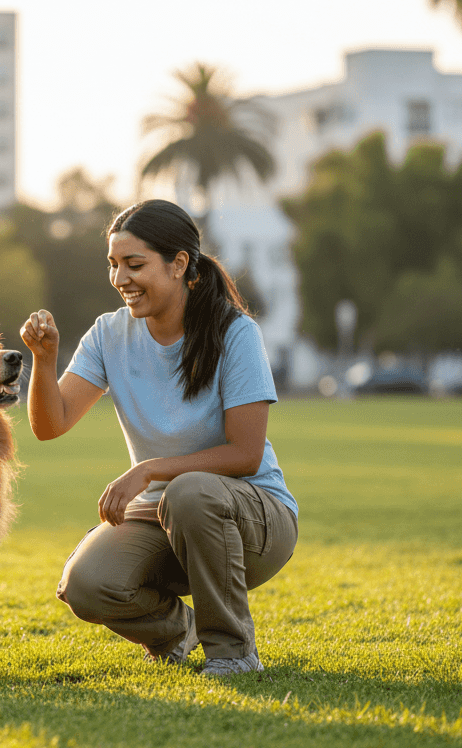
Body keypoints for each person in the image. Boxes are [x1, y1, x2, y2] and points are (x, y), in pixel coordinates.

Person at [19, 198, 298, 677]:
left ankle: (233, 654)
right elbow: (50, 424)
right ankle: (179, 630)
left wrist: (148, 470)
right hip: (166, 515)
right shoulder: (109, 335)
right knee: (87, 584)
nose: (120, 278)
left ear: (179, 264)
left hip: (253, 520)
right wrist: (44, 361)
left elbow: (246, 454)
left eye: (134, 264)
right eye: (113, 265)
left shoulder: (236, 333)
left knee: (189, 491)